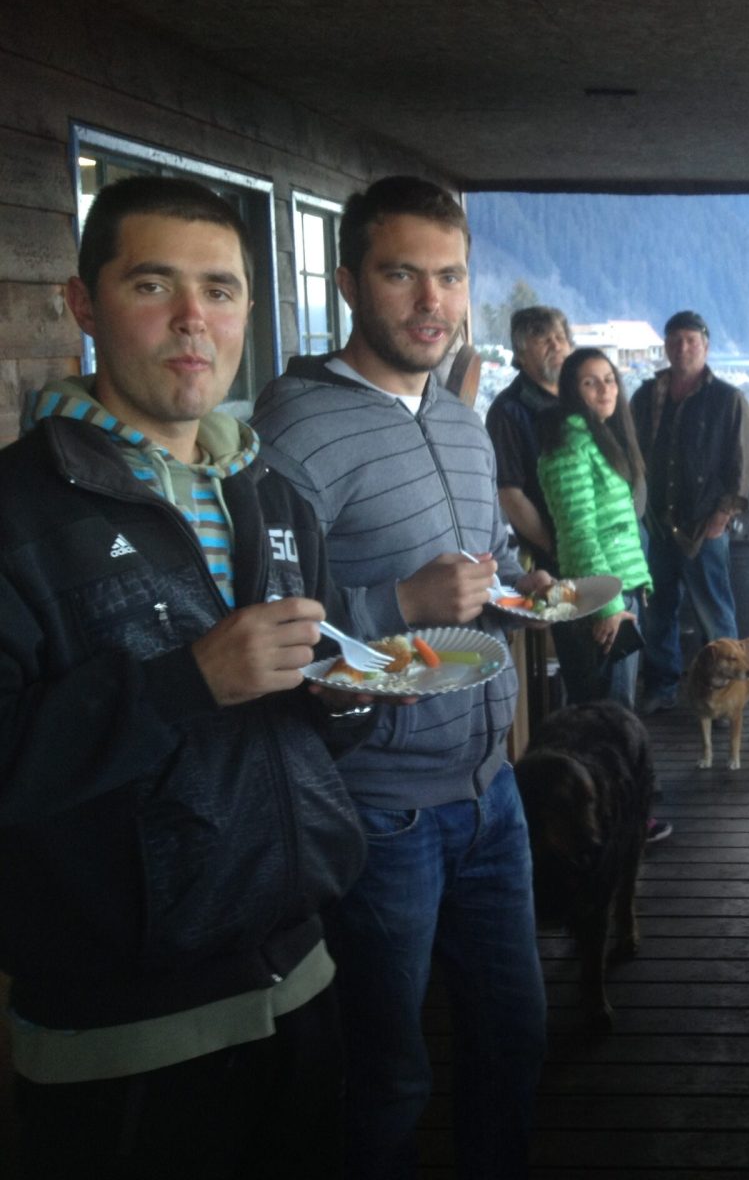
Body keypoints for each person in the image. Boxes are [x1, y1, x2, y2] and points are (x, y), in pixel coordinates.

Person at [0, 175, 371, 1177]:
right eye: (152, 284)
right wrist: (184, 683)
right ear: (83, 304)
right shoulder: (19, 511)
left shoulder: (275, 497)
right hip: (123, 1035)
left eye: (220, 290)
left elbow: (300, 727)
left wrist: (347, 702)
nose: (192, 319)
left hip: (302, 977)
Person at [251, 176, 548, 1180]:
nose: (432, 302)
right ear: (347, 284)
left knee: (514, 1041)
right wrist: (400, 603)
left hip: (491, 792)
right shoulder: (293, 433)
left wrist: (519, 589)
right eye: (401, 275)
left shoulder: (463, 423)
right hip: (379, 811)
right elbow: (268, 625)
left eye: (451, 277)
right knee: (385, 1079)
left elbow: (483, 569)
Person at [630, 310, 749, 715]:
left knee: (715, 615)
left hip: (705, 527)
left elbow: (744, 464)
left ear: (705, 346)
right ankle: (662, 687)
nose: (682, 348)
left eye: (691, 340)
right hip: (655, 525)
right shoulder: (646, 397)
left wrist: (723, 516)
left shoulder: (727, 399)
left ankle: (727, 698)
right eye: (675, 341)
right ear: (666, 347)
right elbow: (630, 454)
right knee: (657, 613)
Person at [536, 348, 653, 707]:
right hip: (599, 600)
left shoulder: (599, 437)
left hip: (619, 590)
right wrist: (609, 607)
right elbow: (578, 534)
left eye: (609, 380)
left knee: (613, 714)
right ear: (572, 391)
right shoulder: (569, 445)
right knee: (606, 717)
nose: (604, 389)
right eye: (590, 383)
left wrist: (637, 584)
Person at [486, 305, 573, 575]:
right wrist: (557, 550)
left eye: (560, 338)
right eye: (544, 340)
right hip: (554, 561)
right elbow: (510, 496)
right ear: (521, 354)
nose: (556, 346)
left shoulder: (584, 397)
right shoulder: (507, 411)